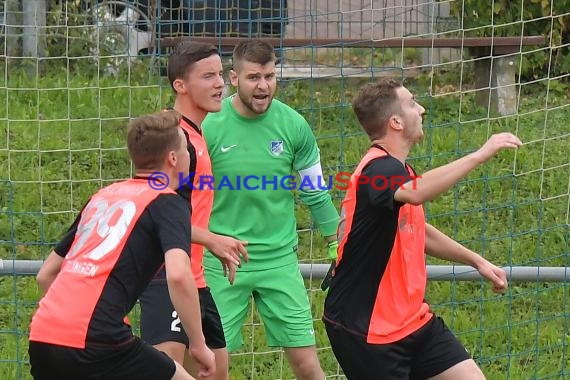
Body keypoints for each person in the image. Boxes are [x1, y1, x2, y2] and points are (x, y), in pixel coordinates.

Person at [322, 79, 523, 379]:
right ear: (396, 122)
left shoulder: (398, 173)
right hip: (367, 329)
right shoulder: (377, 170)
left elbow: (418, 230)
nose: (422, 108)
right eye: (413, 102)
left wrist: (477, 261)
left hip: (413, 321)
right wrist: (480, 154)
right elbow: (418, 192)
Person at [29, 110, 215, 380]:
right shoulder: (167, 201)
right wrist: (198, 345)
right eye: (186, 150)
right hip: (97, 338)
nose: (190, 156)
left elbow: (45, 274)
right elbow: (177, 274)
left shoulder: (102, 197)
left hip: (43, 335)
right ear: (173, 158)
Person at [201, 39, 339, 380]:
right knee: (210, 366)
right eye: (253, 77)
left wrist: (337, 241)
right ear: (234, 79)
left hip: (279, 261)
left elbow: (315, 192)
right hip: (221, 261)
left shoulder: (293, 126)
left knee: (308, 365)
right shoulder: (208, 126)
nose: (263, 85)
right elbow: (183, 197)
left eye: (269, 76)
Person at [138, 41, 248, 380]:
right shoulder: (172, 142)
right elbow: (149, 209)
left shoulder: (197, 136)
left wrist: (207, 242)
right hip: (165, 277)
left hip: (194, 279)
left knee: (218, 372)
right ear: (180, 85)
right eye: (208, 76)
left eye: (220, 75)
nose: (220, 84)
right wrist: (211, 239)